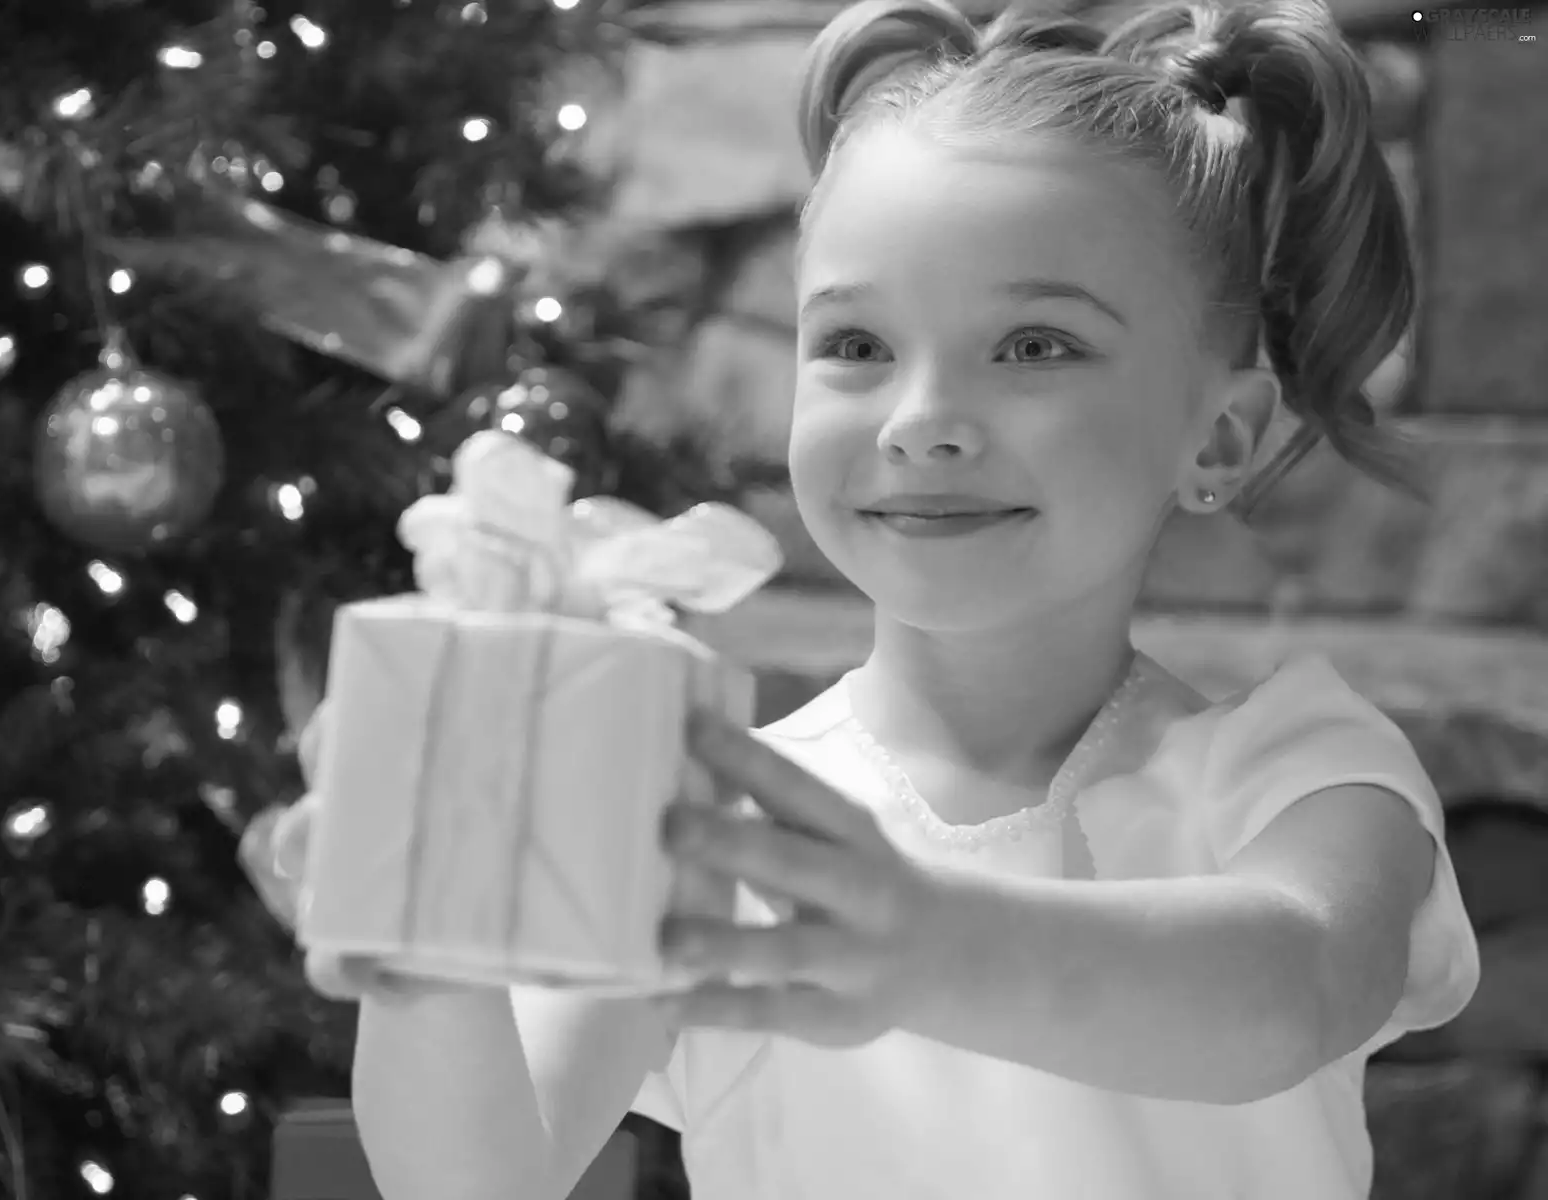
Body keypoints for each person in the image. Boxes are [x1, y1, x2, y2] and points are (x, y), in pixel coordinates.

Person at [266, 0, 1481, 1195]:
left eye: (1035, 346)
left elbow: (1291, 993)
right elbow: (481, 1179)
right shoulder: (703, 818)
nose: (922, 423)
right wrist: (422, 966)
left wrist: (921, 943)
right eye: (855, 347)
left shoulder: (1303, 769)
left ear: (1217, 436)